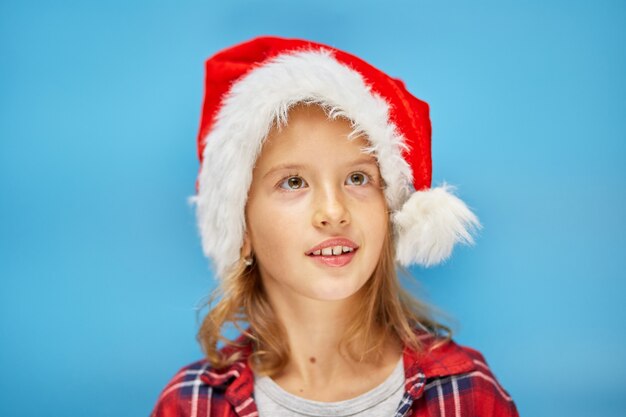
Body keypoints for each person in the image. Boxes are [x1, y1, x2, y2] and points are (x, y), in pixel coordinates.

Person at [151, 36, 519, 417]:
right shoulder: (192, 405)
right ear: (241, 230)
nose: (333, 211)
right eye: (293, 182)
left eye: (358, 178)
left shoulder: (466, 396)